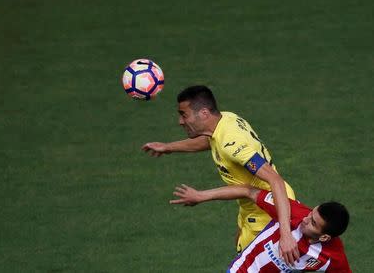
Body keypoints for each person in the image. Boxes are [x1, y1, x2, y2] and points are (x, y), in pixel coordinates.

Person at [142, 85, 299, 264]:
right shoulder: (225, 119)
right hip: (251, 206)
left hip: (270, 211)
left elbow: (275, 180)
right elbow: (211, 140)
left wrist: (285, 234)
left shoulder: (234, 145)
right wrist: (168, 147)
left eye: (184, 115)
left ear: (203, 113)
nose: (180, 121)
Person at [170, 184, 351, 272]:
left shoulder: (333, 257)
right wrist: (201, 195)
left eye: (312, 223)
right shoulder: (292, 211)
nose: (305, 219)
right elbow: (248, 191)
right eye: (312, 213)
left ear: (325, 237)